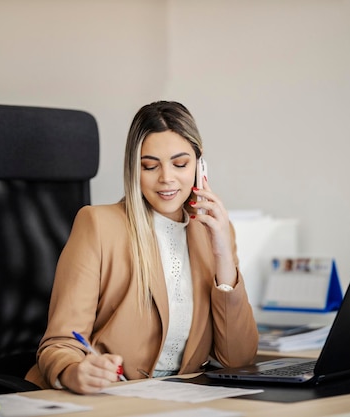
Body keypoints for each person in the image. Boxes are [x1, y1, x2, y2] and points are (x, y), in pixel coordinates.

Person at [25, 101, 258, 394]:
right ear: (134, 169)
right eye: (150, 166)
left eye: (180, 163)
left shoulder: (211, 234)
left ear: (200, 167)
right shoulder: (98, 225)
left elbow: (238, 358)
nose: (166, 178)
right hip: (109, 399)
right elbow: (59, 344)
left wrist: (223, 254)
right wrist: (73, 372)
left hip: (179, 400)